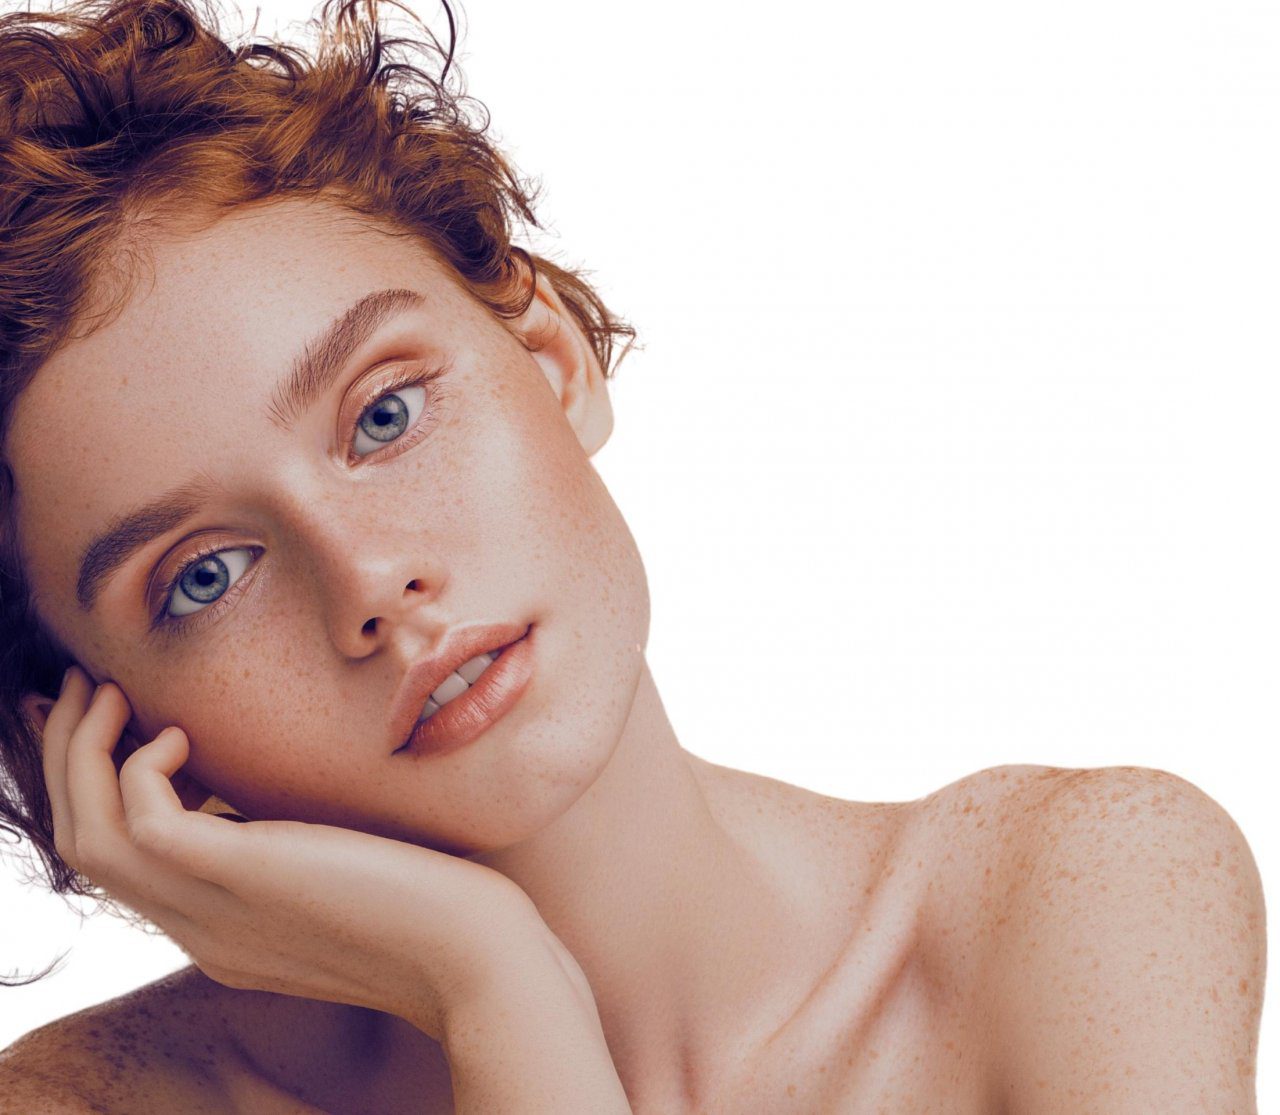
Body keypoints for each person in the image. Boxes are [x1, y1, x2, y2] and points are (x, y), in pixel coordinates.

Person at [0, 0, 1265, 1110]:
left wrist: (496, 987)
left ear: (550, 360)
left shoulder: (1072, 897)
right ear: (91, 732)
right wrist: (491, 980)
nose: (372, 583)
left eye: (384, 414)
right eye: (205, 575)